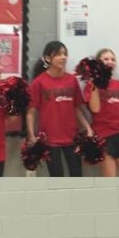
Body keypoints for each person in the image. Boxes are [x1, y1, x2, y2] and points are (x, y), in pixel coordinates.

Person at [27, 41, 93, 177]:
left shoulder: (72, 80)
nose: (63, 57)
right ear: (47, 58)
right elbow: (31, 113)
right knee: (57, 177)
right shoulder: (39, 82)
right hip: (49, 139)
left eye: (65, 54)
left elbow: (77, 108)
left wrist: (88, 128)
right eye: (58, 54)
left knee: (77, 175)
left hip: (72, 137)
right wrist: (32, 136)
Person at [85, 49, 119, 177]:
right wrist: (95, 82)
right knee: (110, 179)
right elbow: (95, 109)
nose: (110, 61)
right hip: (103, 136)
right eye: (106, 59)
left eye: (113, 59)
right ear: (98, 63)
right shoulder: (91, 84)